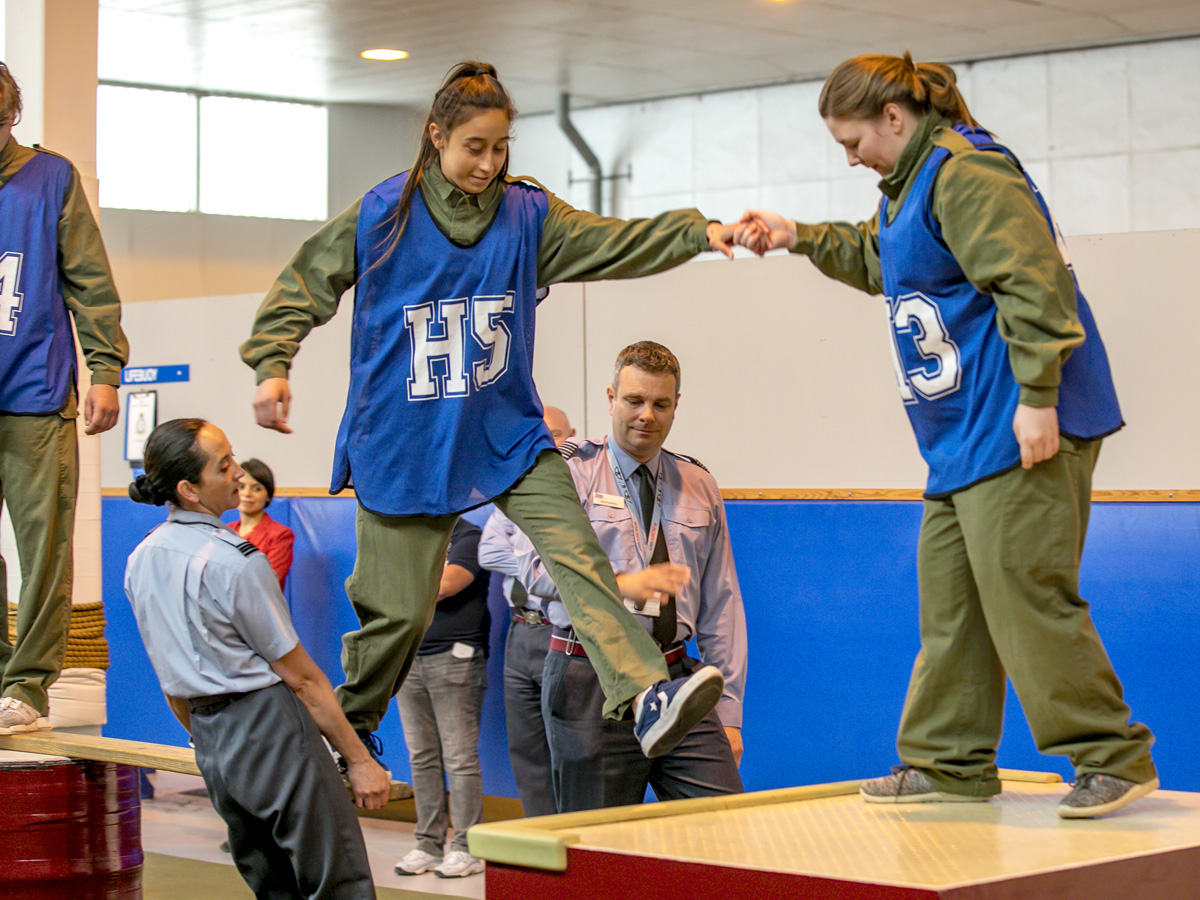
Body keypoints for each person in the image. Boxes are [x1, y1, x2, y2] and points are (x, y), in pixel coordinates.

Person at [240, 61, 733, 768]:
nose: (489, 162)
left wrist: (695, 233)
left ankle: (646, 691)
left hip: (505, 431)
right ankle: (346, 725)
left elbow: (610, 240)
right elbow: (304, 280)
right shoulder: (385, 214)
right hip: (405, 440)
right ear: (436, 137)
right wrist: (272, 360)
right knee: (399, 614)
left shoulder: (527, 215)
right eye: (475, 146)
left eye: (501, 147)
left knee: (578, 556)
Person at [738, 52, 1157, 819]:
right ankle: (950, 760)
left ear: (893, 117)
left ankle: (1111, 755)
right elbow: (876, 256)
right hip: (962, 439)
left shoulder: (966, 172)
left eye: (853, 140)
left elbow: (1034, 282)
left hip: (1019, 423)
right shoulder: (907, 189)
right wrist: (796, 234)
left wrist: (1039, 397)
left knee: (1027, 592)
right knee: (953, 603)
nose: (851, 156)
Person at [124, 419, 390, 900]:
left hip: (208, 736)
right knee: (339, 880)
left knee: (270, 884)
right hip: (268, 727)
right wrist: (359, 759)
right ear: (188, 489)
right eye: (224, 465)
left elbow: (170, 677)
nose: (239, 473)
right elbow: (305, 681)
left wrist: (207, 739)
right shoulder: (235, 560)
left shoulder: (141, 558)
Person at [513, 342, 747, 812]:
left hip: (677, 677)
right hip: (588, 679)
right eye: (634, 401)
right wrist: (619, 586)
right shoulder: (568, 472)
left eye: (661, 404)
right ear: (610, 397)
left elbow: (722, 604)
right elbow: (534, 571)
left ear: (675, 407)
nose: (647, 415)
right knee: (600, 847)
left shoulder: (698, 484)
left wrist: (730, 711)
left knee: (723, 824)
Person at [0, 61, 128, 735]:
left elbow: (90, 283)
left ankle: (27, 685)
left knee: (44, 545)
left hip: (34, 394)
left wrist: (104, 369)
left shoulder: (50, 179)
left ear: (11, 118)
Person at [478, 405, 575, 818]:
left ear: (571, 437)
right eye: (540, 434)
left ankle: (580, 845)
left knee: (571, 748)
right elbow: (487, 551)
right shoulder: (513, 490)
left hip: (565, 636)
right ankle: (541, 837)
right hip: (520, 632)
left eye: (555, 434)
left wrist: (521, 549)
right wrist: (537, 563)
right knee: (528, 749)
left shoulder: (580, 491)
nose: (547, 443)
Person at [394, 518, 490, 879]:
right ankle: (428, 843)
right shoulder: (409, 532)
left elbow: (447, 584)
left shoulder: (467, 535)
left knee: (460, 757)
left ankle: (467, 847)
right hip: (409, 656)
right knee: (421, 756)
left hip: (455, 657)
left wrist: (398, 581)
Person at [231, 458, 294, 589]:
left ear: (267, 495)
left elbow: (269, 581)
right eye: (241, 487)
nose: (247, 494)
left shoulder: (280, 535)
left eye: (256, 489)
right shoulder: (225, 531)